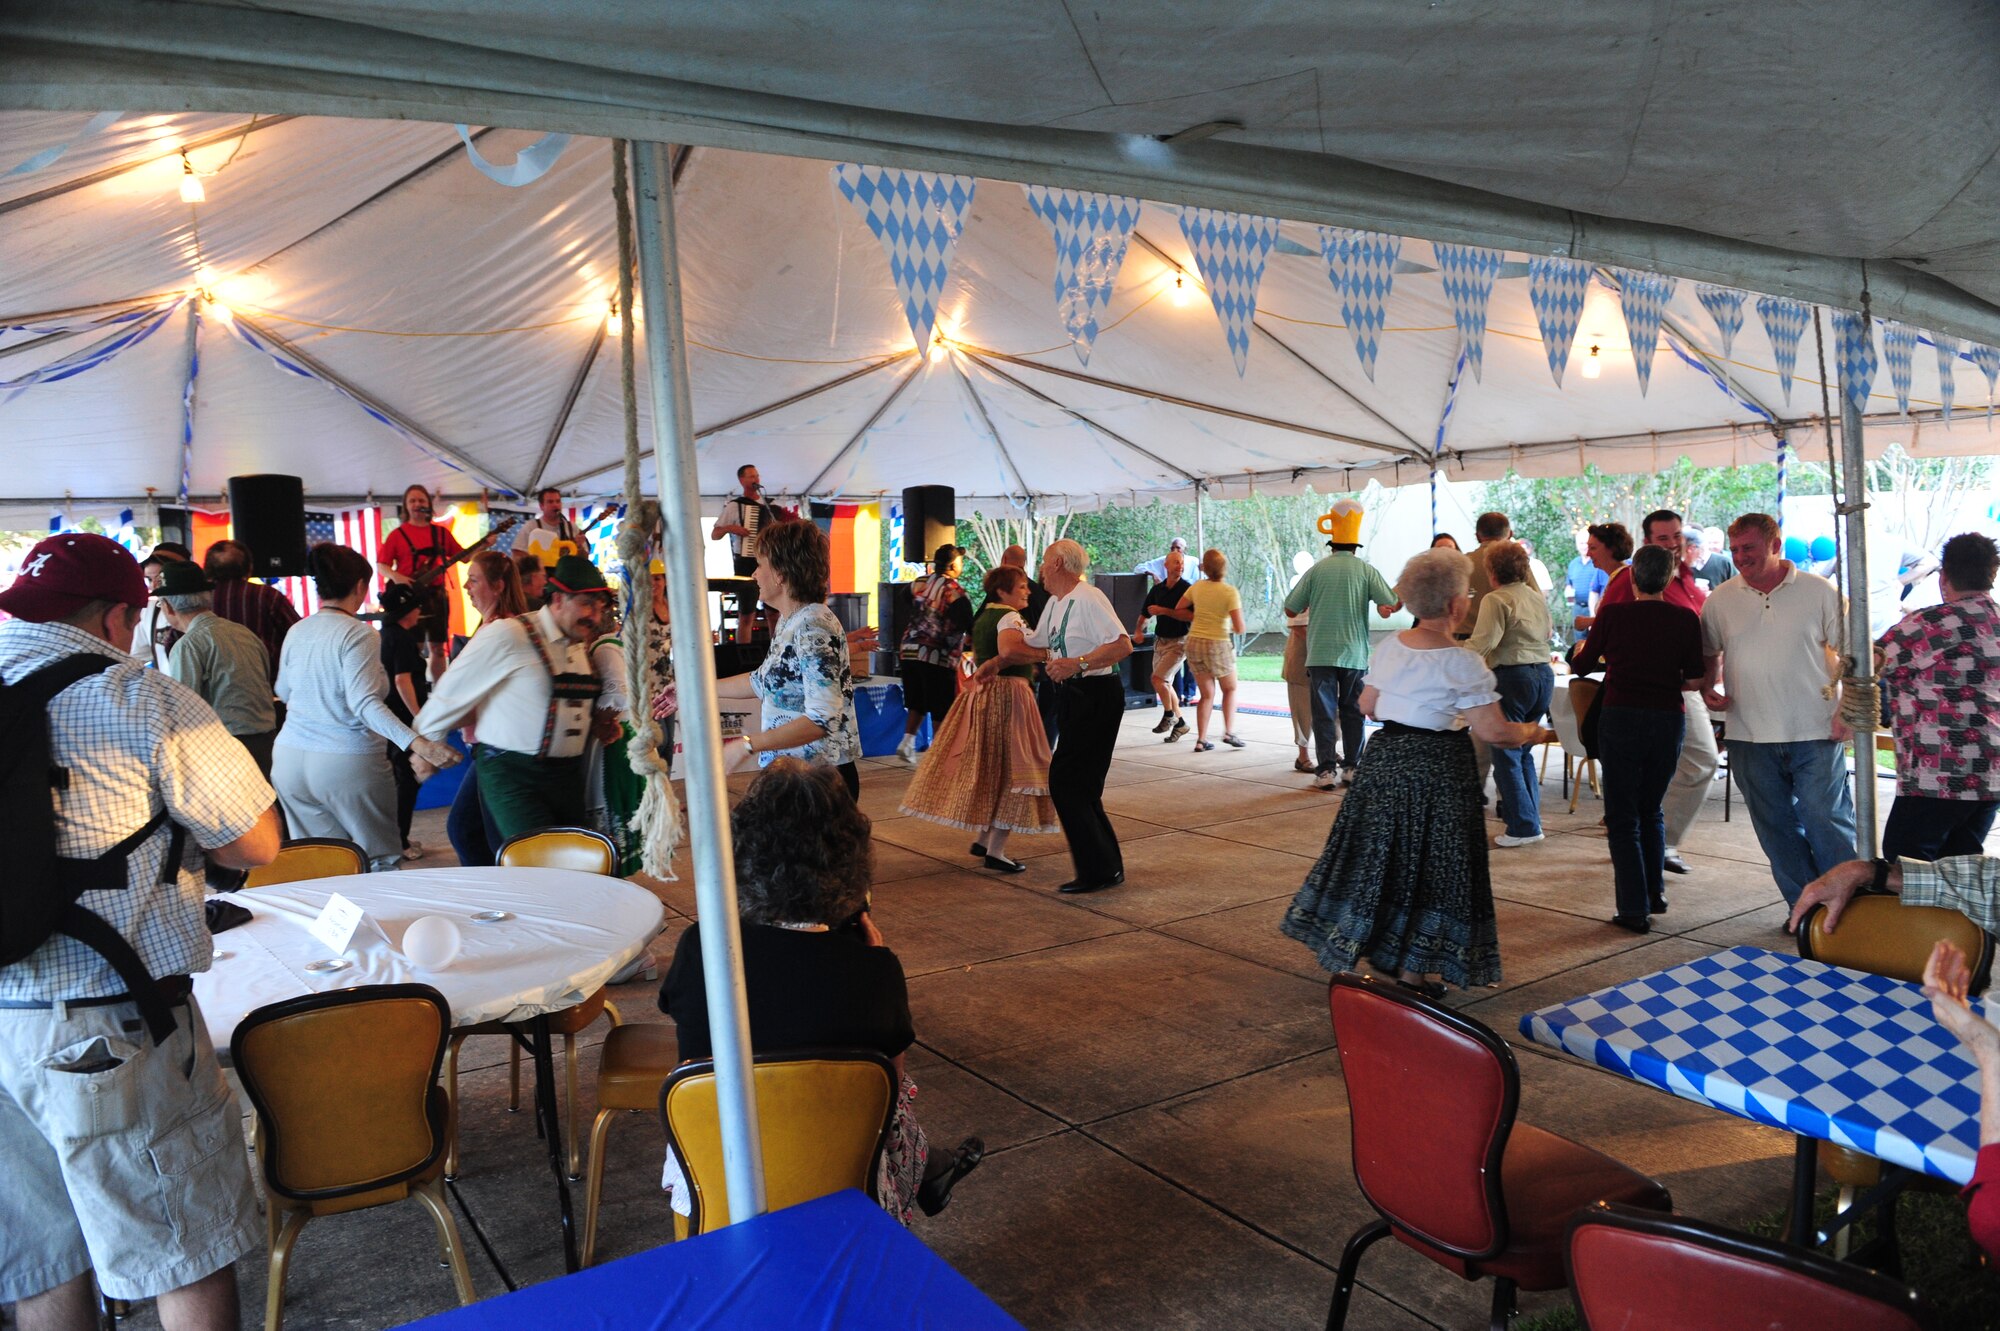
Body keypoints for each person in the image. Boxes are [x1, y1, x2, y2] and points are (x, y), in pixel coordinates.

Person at [0, 532, 282, 1331]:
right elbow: (255, 842)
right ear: (121, 612)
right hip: (112, 1027)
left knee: (42, 1260)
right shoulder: (141, 697)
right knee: (180, 1245)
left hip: (1, 1026)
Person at [659, 760, 983, 1222]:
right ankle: (927, 1169)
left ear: (739, 856)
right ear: (851, 865)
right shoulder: (874, 971)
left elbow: (685, 1028)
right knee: (886, 1095)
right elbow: (886, 1089)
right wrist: (875, 960)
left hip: (714, 1176)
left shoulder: (702, 948)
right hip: (839, 1183)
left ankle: (931, 1167)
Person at [1280, 548, 1544, 995]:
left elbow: (1367, 706)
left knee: (1385, 861)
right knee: (1434, 869)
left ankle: (1383, 954)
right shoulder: (1461, 662)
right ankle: (1412, 973)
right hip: (1438, 768)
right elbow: (1495, 731)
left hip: (1385, 763)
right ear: (1456, 605)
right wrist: (1532, 733)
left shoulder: (1390, 647)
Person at [1700, 513, 1856, 907]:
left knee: (1828, 824)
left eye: (1748, 548)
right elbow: (1709, 651)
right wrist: (1707, 686)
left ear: (1775, 545)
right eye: (1734, 549)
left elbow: (1855, 655)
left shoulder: (1820, 591)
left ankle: (1851, 913)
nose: (1739, 557)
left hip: (1815, 730)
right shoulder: (1721, 599)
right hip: (1748, 733)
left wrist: (1848, 710)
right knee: (1775, 829)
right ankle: (1805, 911)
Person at [274, 544, 461, 868]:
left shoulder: (297, 630)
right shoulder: (359, 634)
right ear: (360, 586)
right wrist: (419, 743)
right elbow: (363, 703)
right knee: (378, 863)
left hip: (289, 759)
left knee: (324, 864)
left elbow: (283, 690)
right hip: (345, 760)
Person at [412, 554, 618, 842]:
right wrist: (425, 747)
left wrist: (593, 722)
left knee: (577, 865)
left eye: (599, 607)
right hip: (513, 776)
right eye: (586, 604)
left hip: (567, 777)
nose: (594, 617)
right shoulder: (510, 634)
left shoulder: (577, 643)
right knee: (537, 861)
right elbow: (450, 692)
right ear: (557, 599)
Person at [1573, 546, 1706, 931]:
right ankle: (1654, 893)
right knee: (1652, 809)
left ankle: (1633, 908)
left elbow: (1582, 664)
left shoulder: (1613, 615)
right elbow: (1695, 681)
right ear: (1668, 579)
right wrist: (1664, 682)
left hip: (1622, 717)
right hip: (1668, 718)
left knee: (1622, 815)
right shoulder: (1685, 619)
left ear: (1632, 578)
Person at [989, 539, 1132, 894]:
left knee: (1068, 783)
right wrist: (997, 650)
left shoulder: (1089, 598)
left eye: (1043, 564)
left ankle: (1099, 870)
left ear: (1057, 564)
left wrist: (1077, 663)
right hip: (1074, 697)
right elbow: (1037, 644)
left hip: (1097, 694)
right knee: (1078, 786)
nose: (1037, 571)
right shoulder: (1055, 602)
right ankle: (1104, 867)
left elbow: (1122, 645)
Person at [900, 564, 1058, 873]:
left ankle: (985, 841)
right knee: (1017, 771)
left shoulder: (986, 616)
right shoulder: (1011, 617)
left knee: (997, 768)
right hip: (1011, 696)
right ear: (1003, 591)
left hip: (988, 696)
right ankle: (996, 851)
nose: (1027, 591)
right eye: (1021, 586)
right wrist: (1047, 655)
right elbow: (1010, 651)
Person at [1594, 510, 1717, 877]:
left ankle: (1656, 842)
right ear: (1647, 542)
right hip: (1650, 694)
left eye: (1677, 535)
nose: (1673, 543)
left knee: (1692, 764)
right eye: (1663, 538)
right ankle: (1655, 844)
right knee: (1698, 760)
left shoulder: (1687, 579)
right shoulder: (1631, 580)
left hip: (1678, 690)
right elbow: (1606, 633)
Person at [1875, 532, 2000, 862]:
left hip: (1939, 773)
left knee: (1905, 865)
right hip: (1992, 772)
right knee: (1962, 864)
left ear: (1943, 577)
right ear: (1993, 573)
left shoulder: (1929, 625)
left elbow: (1868, 663)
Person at [715, 519, 863, 799]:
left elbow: (820, 720)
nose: (755, 575)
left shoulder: (813, 626)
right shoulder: (792, 620)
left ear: (781, 573)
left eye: (760, 565)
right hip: (795, 778)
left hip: (818, 783)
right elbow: (762, 682)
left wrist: (746, 744)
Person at [1282, 499, 1399, 791]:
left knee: (1323, 713)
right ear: (1355, 545)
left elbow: (1290, 608)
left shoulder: (1316, 571)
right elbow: (1391, 603)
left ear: (1331, 544)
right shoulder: (1365, 570)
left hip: (1319, 653)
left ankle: (1324, 771)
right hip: (1354, 654)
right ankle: (1352, 767)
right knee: (1353, 711)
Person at [440, 549, 528, 867]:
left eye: (474, 580)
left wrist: (433, 730)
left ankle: (501, 901)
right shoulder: (494, 626)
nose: (466, 587)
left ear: (499, 586)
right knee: (473, 832)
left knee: (480, 835)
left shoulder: (502, 630)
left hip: (498, 749)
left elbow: (473, 693)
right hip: (490, 747)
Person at [1465, 540, 1554, 848]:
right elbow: (1548, 633)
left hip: (1512, 678)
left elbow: (1483, 642)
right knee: (1523, 751)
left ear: (1491, 571)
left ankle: (1522, 826)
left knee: (1505, 752)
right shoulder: (1534, 596)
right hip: (1543, 676)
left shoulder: (1496, 599)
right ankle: (1531, 820)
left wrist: (1449, 655)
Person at [154, 561, 277, 776]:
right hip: (268, 743)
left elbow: (185, 711)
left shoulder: (188, 645)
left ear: (168, 606)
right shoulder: (245, 633)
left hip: (228, 750)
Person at [894, 544, 974, 765]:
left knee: (917, 700)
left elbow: (903, 597)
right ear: (952, 565)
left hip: (909, 651)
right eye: (960, 561)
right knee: (941, 706)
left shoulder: (919, 582)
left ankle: (907, 742)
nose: (962, 565)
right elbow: (965, 622)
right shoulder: (955, 592)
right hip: (936, 655)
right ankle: (940, 754)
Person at [377, 484, 465, 683]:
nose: (417, 504)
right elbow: (382, 565)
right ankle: (414, 689)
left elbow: (464, 557)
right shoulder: (397, 535)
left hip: (436, 595)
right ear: (406, 506)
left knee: (438, 648)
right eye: (412, 501)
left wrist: (484, 544)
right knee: (413, 646)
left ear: (428, 504)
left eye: (421, 500)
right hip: (410, 598)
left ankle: (439, 691)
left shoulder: (441, 533)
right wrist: (399, 578)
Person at [1175, 548, 1248, 752]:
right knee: (1230, 688)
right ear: (1224, 568)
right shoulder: (1229, 592)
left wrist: (1197, 618)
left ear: (1204, 568)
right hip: (1217, 643)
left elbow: (1180, 608)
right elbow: (1240, 627)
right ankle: (1229, 732)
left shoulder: (1197, 587)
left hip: (1195, 642)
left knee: (1206, 694)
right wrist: (1225, 625)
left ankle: (1201, 739)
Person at [378, 582, 430, 860]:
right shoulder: (401, 638)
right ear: (407, 611)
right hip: (401, 719)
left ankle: (399, 838)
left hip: (388, 717)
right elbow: (402, 679)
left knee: (401, 779)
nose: (420, 610)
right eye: (416, 606)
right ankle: (399, 842)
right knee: (407, 779)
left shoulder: (386, 634)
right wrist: (418, 717)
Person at [202, 537, 299, 687]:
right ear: (249, 568)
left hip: (213, 693)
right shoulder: (267, 596)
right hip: (267, 689)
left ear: (207, 569)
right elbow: (298, 637)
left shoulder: (199, 601)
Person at [1135, 546, 1194, 742]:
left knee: (1157, 679)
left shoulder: (1187, 589)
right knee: (1165, 683)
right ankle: (1181, 723)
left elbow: (1191, 615)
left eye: (1183, 563)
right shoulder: (1157, 589)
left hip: (1180, 642)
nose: (1180, 566)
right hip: (1160, 641)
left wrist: (1164, 610)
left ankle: (1168, 716)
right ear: (1166, 565)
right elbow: (1145, 613)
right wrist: (1138, 631)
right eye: (1177, 562)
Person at [1458, 511, 1538, 639]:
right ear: (1510, 534)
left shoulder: (1460, 564)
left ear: (1478, 536)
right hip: (1508, 641)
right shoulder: (1516, 562)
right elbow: (1536, 600)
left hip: (1467, 640)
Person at [130, 540, 192, 669]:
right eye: (149, 579)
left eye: (159, 579)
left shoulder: (207, 606)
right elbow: (136, 656)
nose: (153, 586)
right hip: (169, 688)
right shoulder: (149, 610)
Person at [1568, 521, 1633, 634]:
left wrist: (1589, 622)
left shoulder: (1625, 579)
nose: (1588, 554)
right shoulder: (1618, 576)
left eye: (1592, 548)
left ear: (1611, 549)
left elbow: (1623, 620)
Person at [711, 462, 772, 577]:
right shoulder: (735, 505)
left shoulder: (769, 505)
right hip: (745, 562)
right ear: (741, 480)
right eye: (752, 477)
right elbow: (714, 535)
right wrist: (729, 528)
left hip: (767, 559)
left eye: (757, 476)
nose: (756, 479)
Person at [1282, 607, 1314, 773]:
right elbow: (1297, 625)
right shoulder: (1306, 589)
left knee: (1331, 708)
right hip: (1302, 656)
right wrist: (1318, 646)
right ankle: (1303, 755)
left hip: (1327, 657)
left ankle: (1329, 750)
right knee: (1302, 708)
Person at [512, 486, 579, 560]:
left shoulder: (572, 527)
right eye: (550, 502)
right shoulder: (531, 527)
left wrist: (580, 547)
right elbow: (517, 553)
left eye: (558, 501)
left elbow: (585, 557)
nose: (555, 505)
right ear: (541, 506)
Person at [1563, 527, 1599, 647]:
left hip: (1594, 609)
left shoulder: (1597, 563)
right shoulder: (1573, 563)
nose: (1584, 546)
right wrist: (1568, 589)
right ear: (1576, 545)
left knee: (1595, 642)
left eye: (1586, 543)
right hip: (1578, 608)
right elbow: (1569, 583)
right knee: (1578, 644)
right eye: (1581, 543)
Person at [1684, 527, 1735, 592]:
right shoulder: (1681, 565)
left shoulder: (1724, 562)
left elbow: (1738, 589)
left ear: (1691, 548)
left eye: (1682, 550)